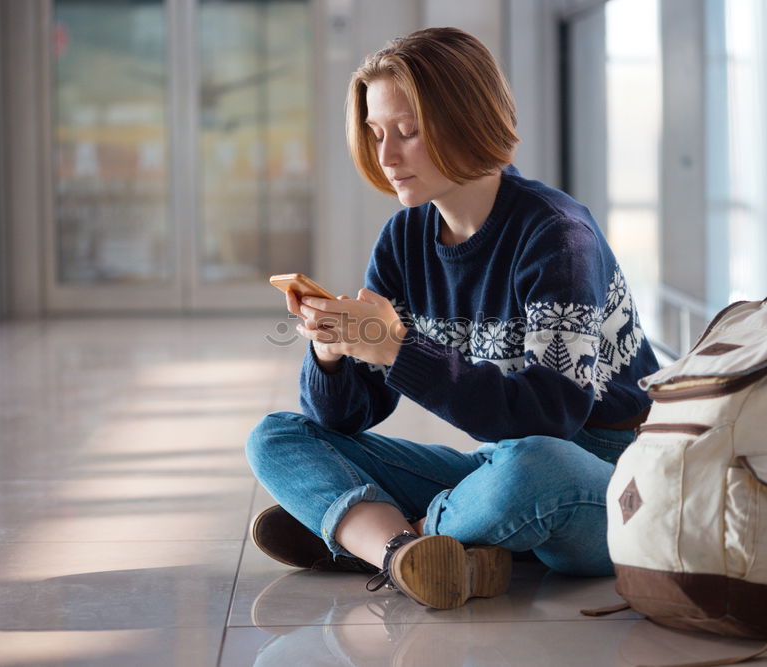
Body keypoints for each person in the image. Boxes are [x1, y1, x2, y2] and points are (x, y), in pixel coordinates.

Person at [245, 26, 659, 610]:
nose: (387, 157)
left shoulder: (558, 237)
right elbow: (343, 421)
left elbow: (551, 417)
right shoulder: (405, 237)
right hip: (499, 464)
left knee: (529, 468)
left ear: (467, 120)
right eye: (376, 133)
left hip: (608, 480)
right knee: (277, 436)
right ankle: (415, 550)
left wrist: (395, 350)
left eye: (407, 133)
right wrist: (333, 354)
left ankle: (376, 537)